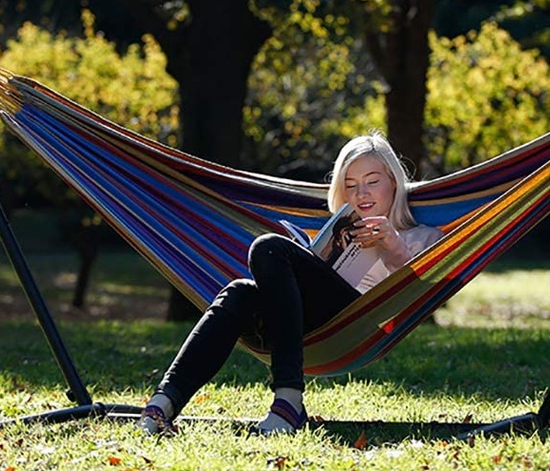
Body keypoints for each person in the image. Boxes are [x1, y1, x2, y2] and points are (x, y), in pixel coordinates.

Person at [137, 131, 444, 436]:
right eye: (350, 185)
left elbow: (421, 296)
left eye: (372, 181)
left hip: (358, 326)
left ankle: (288, 400)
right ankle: (163, 404)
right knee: (239, 292)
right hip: (308, 325)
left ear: (393, 181)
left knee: (269, 246)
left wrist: (395, 248)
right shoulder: (340, 232)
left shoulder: (425, 237)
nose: (361, 193)